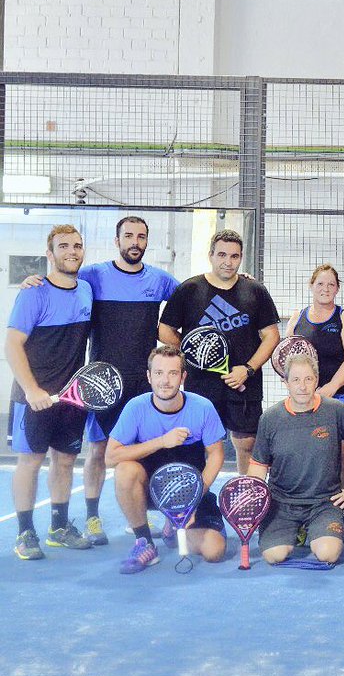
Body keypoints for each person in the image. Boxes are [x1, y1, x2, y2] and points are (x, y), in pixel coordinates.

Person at [19, 215, 180, 546]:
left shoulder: (161, 280)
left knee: (142, 449)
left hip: (142, 383)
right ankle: (90, 517)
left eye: (141, 236)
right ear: (116, 241)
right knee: (97, 450)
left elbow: (195, 295)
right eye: (128, 236)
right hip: (99, 383)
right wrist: (30, 279)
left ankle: (140, 512)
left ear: (146, 241)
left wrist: (238, 278)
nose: (134, 241)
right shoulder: (92, 277)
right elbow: (57, 283)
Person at [158, 229, 280, 474]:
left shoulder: (255, 290)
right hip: (202, 383)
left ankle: (246, 498)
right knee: (198, 443)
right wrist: (196, 351)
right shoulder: (189, 289)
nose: (228, 261)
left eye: (234, 256)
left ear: (241, 257)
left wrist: (248, 369)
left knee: (247, 442)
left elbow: (271, 335)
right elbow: (164, 331)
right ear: (210, 255)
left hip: (245, 382)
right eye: (222, 254)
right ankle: (200, 500)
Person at [7, 224, 94, 559]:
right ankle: (25, 534)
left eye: (77, 245)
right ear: (50, 253)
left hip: (72, 398)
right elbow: (13, 344)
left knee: (65, 460)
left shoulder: (86, 290)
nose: (71, 251)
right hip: (34, 398)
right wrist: (31, 390)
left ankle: (58, 527)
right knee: (30, 461)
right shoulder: (33, 293)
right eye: (63, 246)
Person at [107, 345, 226, 573]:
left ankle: (173, 529)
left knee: (215, 551)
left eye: (173, 373)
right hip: (151, 491)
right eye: (159, 373)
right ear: (149, 376)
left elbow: (216, 454)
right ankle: (145, 543)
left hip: (190, 490)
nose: (165, 380)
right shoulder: (136, 408)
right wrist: (162, 441)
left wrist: (194, 497)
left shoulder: (202, 408)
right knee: (125, 470)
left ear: (183, 377)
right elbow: (111, 457)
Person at [249, 353, 344, 566]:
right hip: (282, 503)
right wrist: (254, 500)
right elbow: (258, 466)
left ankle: (312, 529)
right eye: (295, 380)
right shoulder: (270, 419)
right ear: (285, 383)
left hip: (325, 502)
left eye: (308, 379)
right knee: (273, 556)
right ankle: (298, 530)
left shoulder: (336, 410)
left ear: (316, 379)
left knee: (327, 554)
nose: (302, 386)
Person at [284, 263, 344, 538]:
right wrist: (300, 390)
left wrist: (330, 388)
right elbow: (287, 358)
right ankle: (304, 512)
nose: (325, 289)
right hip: (304, 399)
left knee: (342, 453)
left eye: (331, 285)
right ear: (311, 286)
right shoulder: (297, 317)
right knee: (309, 454)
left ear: (337, 289)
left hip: (339, 395)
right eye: (320, 284)